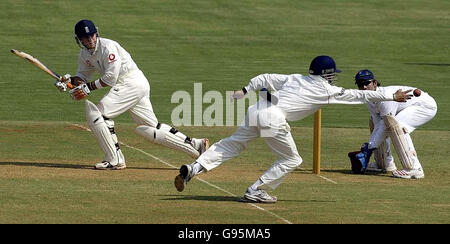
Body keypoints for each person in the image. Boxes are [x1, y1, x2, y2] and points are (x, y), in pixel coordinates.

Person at [173, 55, 412, 203]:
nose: (333, 78)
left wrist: (244, 91)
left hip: (256, 109)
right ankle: (257, 189)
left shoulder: (295, 78)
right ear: (327, 74)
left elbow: (263, 77)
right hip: (272, 117)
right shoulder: (325, 90)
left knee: (233, 143)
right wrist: (392, 94)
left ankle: (195, 167)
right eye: (332, 74)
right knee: (292, 159)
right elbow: (356, 95)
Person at [54, 19, 209, 170]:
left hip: (130, 82)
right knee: (150, 128)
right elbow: (83, 78)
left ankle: (114, 159)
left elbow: (110, 78)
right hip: (134, 85)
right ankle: (196, 145)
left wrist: (87, 88)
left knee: (98, 114)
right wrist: (70, 81)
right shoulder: (84, 55)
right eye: (85, 38)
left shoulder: (108, 47)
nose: (90, 40)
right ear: (79, 40)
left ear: (96, 34)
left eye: (92, 35)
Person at [353, 69, 437, 179]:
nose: (363, 87)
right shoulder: (369, 99)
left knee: (397, 126)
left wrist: (369, 148)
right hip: (408, 108)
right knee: (375, 122)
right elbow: (378, 124)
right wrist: (370, 147)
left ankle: (414, 169)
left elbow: (385, 126)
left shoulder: (386, 97)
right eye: (360, 85)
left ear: (374, 83)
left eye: (366, 83)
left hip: (425, 106)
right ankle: (384, 164)